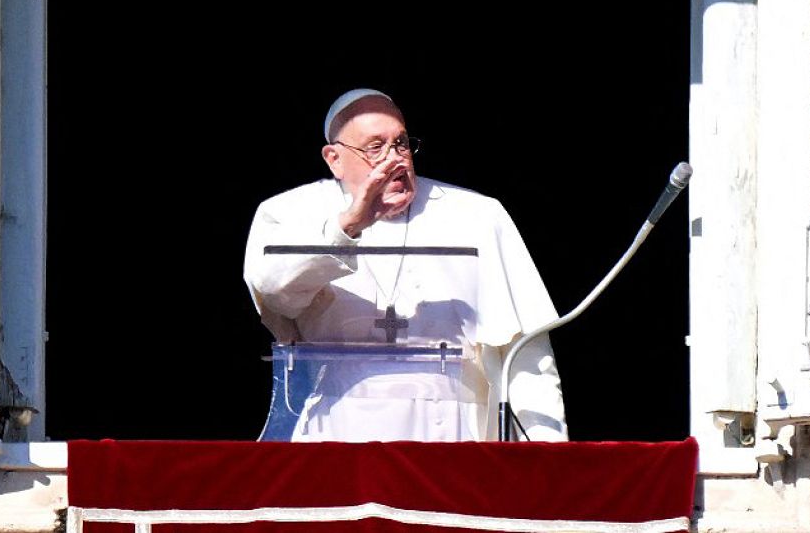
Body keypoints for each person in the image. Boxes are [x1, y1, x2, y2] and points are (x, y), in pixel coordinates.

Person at [243, 88, 567, 442]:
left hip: (451, 436)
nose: (395, 159)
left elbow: (527, 354)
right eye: (375, 147)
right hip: (336, 432)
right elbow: (275, 293)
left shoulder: (478, 215)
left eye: (400, 143)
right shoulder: (288, 212)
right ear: (334, 159)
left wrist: (546, 458)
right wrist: (348, 225)